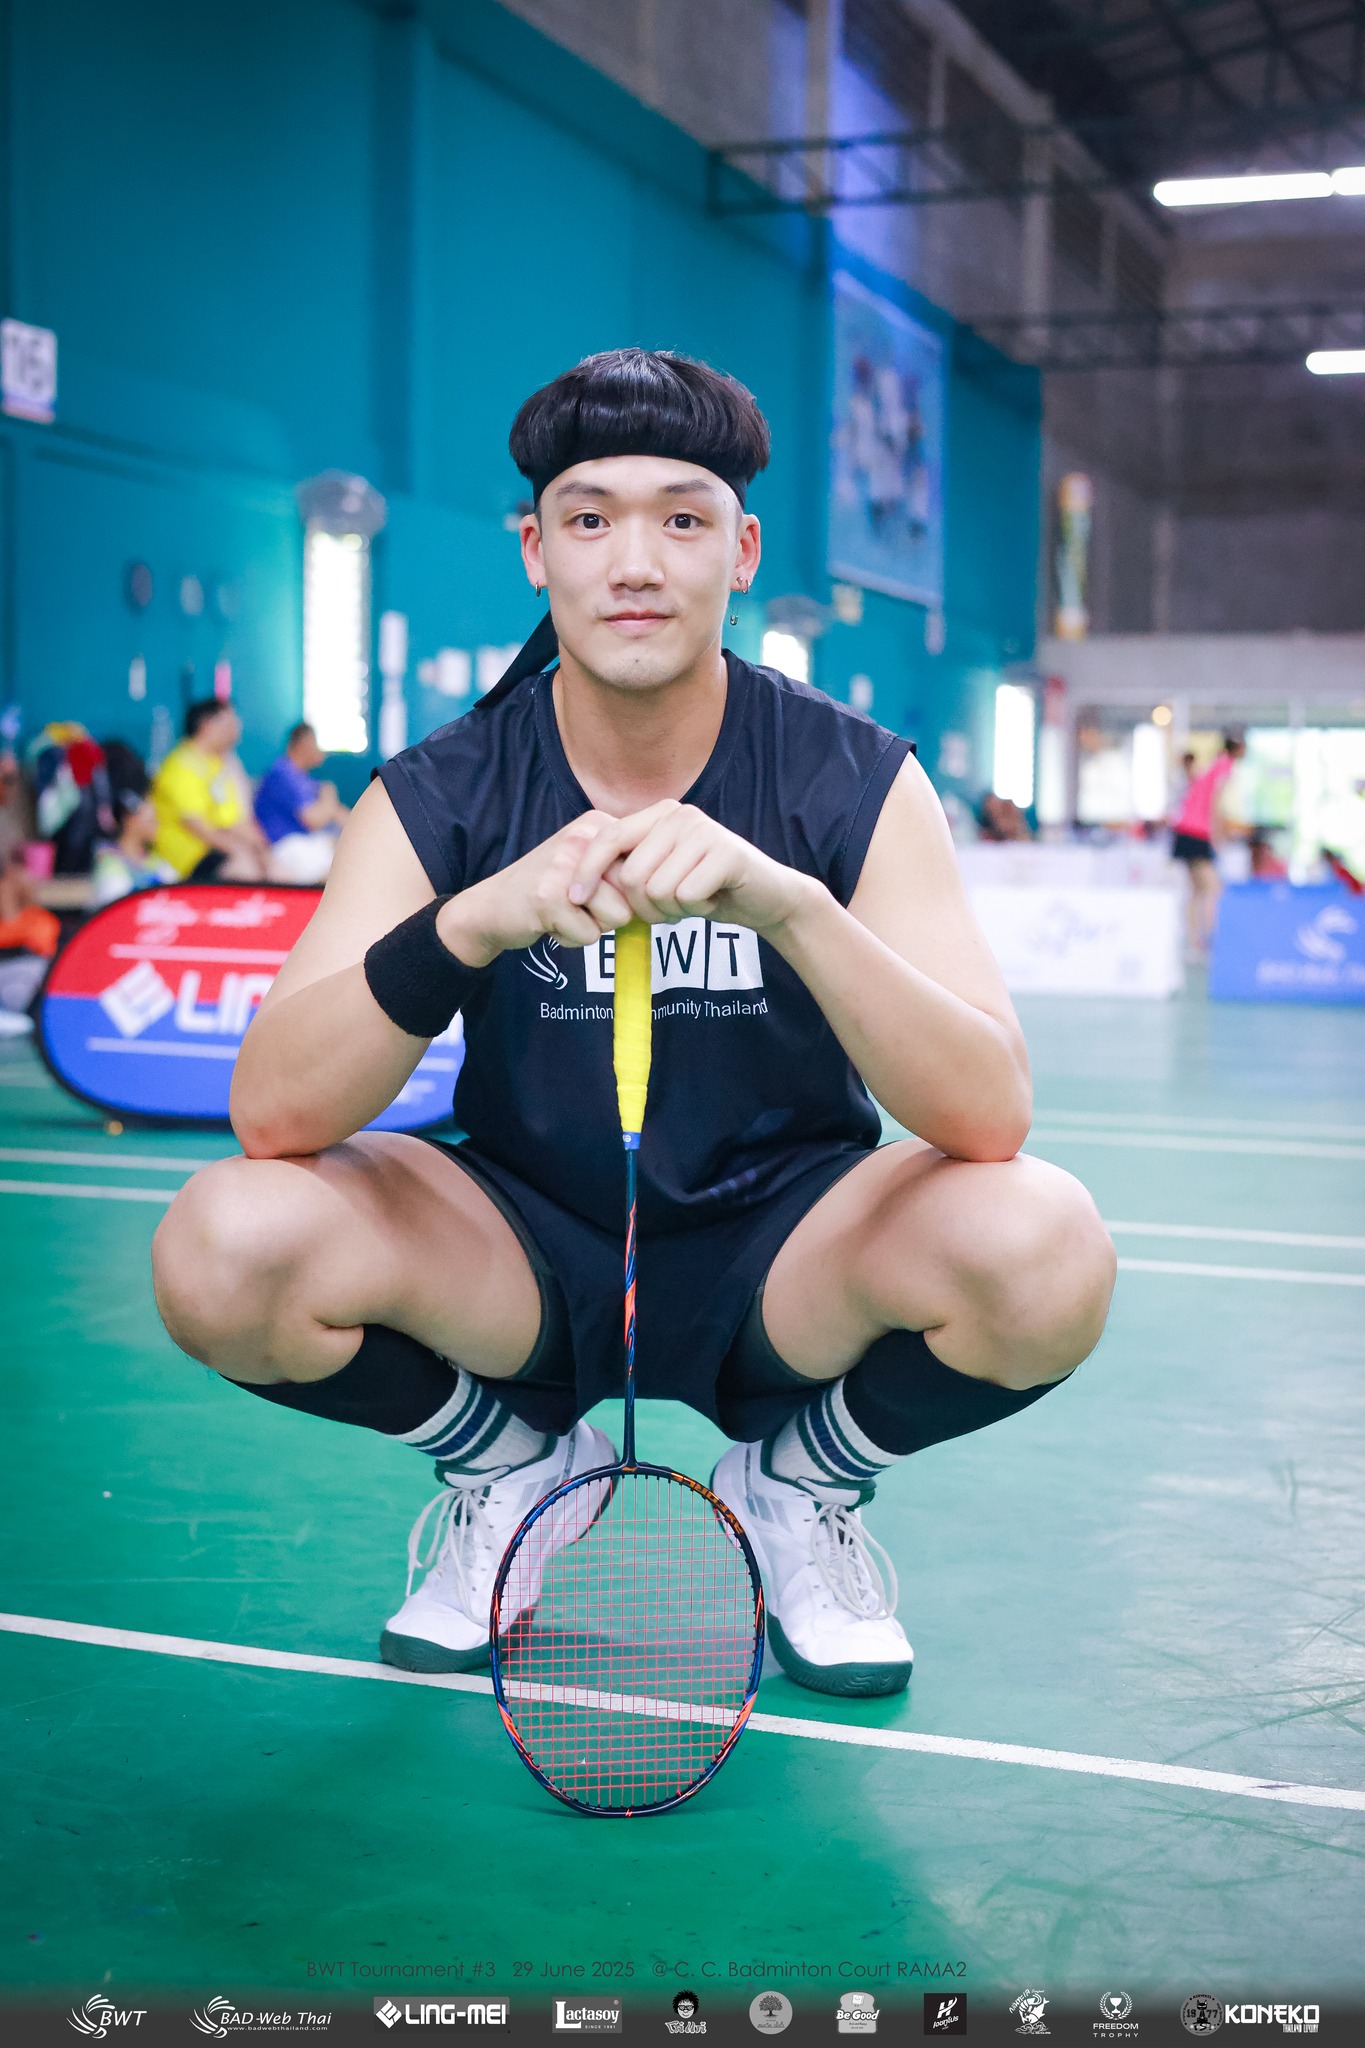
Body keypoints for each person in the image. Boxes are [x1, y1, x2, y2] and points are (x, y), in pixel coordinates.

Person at [152, 350, 1115, 1700]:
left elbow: (987, 1112)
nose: (637, 563)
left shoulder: (853, 777)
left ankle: (797, 1486)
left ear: (742, 549)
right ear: (535, 548)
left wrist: (793, 908)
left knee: (1045, 1244)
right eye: (592, 518)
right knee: (223, 1244)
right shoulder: (442, 789)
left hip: (786, 1246)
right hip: (520, 1245)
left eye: (683, 517)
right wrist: (469, 923)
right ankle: (513, 1467)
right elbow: (273, 1110)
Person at [150, 701, 268, 882]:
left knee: (277, 869)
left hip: (219, 851)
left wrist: (261, 848)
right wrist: (241, 851)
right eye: (228, 724)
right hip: (189, 859)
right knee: (245, 870)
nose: (235, 730)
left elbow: (233, 820)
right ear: (206, 725)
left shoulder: (216, 766)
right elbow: (197, 825)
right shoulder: (180, 766)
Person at [1170, 733, 1245, 957]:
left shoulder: (1214, 763)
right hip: (1197, 832)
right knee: (1213, 888)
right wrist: (1217, 836)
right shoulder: (1225, 765)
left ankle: (1194, 942)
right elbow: (1215, 802)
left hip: (1185, 830)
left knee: (1197, 890)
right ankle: (1214, 941)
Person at [254, 722, 349, 885]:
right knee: (345, 870)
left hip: (306, 841)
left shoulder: (304, 778)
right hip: (284, 847)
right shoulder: (282, 773)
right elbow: (313, 819)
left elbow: (339, 814)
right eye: (316, 744)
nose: (321, 751)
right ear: (304, 744)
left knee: (349, 849)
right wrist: (329, 798)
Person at [90, 786, 177, 908]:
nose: (157, 825)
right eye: (151, 820)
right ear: (130, 819)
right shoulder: (110, 862)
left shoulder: (156, 862)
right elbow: (112, 905)